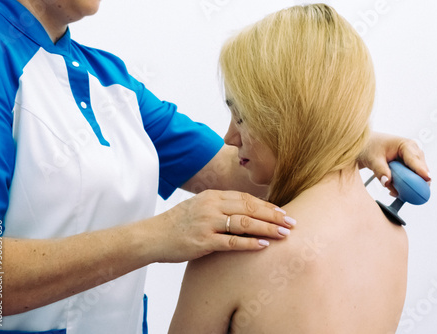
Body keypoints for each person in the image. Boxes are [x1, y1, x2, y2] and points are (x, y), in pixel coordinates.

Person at [0, 0, 429, 333]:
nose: (233, 134)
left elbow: (241, 166)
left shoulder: (111, 80)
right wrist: (156, 237)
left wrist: (347, 138)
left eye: (244, 115)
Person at [169, 4, 413, 334]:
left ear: (289, 115)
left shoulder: (232, 255)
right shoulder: (394, 237)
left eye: (241, 116)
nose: (229, 138)